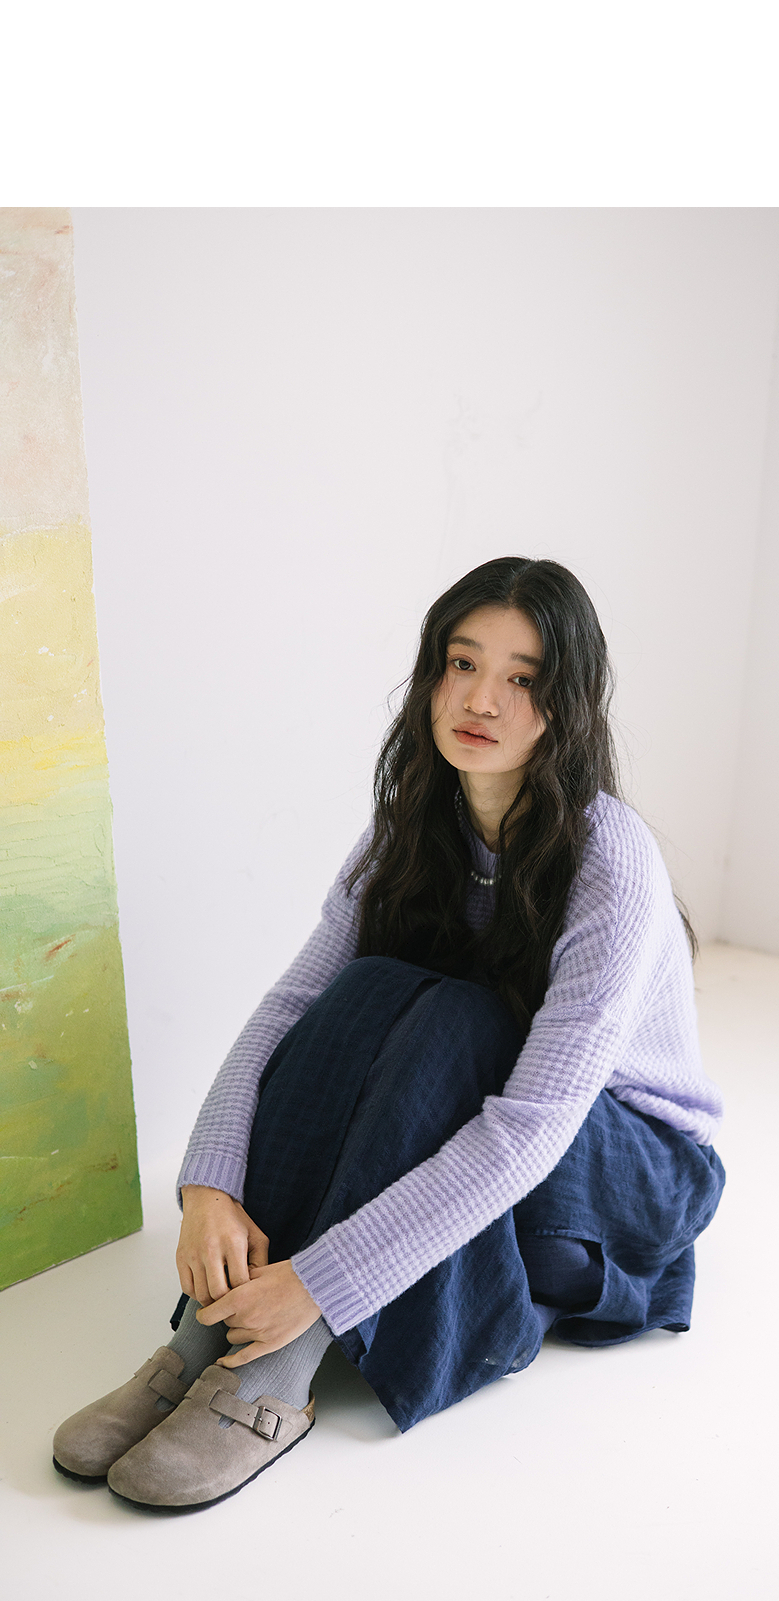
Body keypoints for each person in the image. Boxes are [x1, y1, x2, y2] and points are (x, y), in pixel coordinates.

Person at [52, 556, 725, 1512]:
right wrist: (207, 1188)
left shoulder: (606, 856)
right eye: (463, 663)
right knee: (369, 987)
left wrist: (320, 1285)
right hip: (504, 1142)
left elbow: (531, 1128)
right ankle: (206, 1335)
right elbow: (291, 1011)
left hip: (622, 1172)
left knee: (459, 1016)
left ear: (566, 705)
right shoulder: (415, 825)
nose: (481, 699)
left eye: (523, 678)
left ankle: (274, 1371)